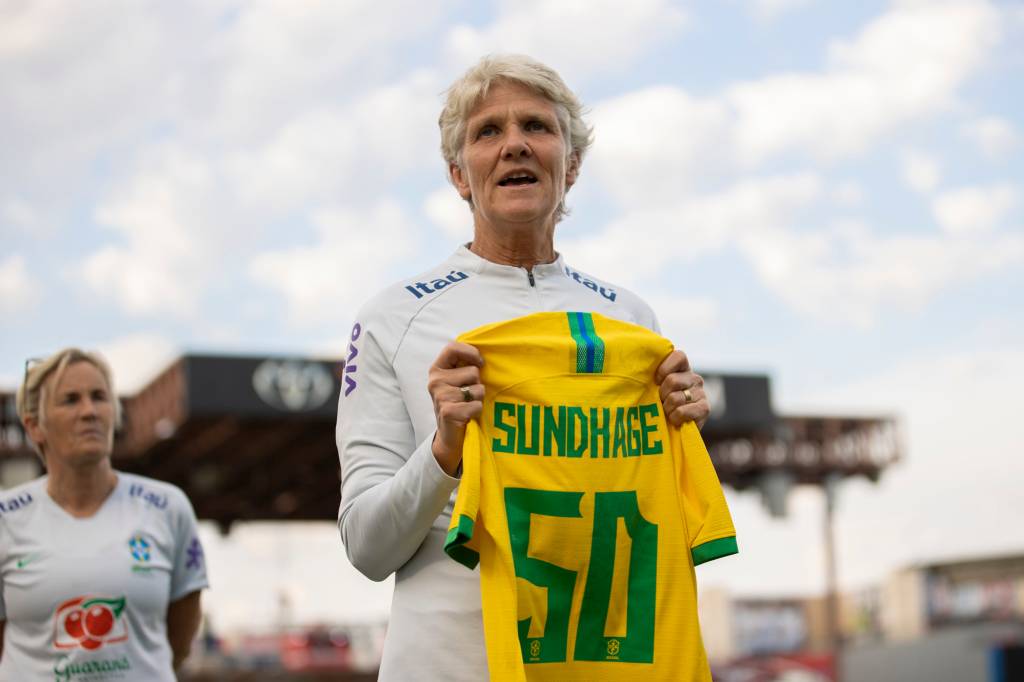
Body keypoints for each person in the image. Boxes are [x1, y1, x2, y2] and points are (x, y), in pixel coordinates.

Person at [336, 54, 710, 681]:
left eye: (537, 127)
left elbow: (655, 517)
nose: (514, 145)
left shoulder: (632, 320)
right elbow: (367, 549)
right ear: (459, 174)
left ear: (572, 163)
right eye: (488, 132)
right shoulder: (392, 317)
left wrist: (687, 428)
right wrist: (443, 449)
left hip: (604, 664)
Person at [0, 348, 209, 680]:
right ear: (35, 426)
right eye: (70, 400)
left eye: (99, 397)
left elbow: (179, 639)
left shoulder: (167, 507)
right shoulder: (6, 518)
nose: (89, 411)